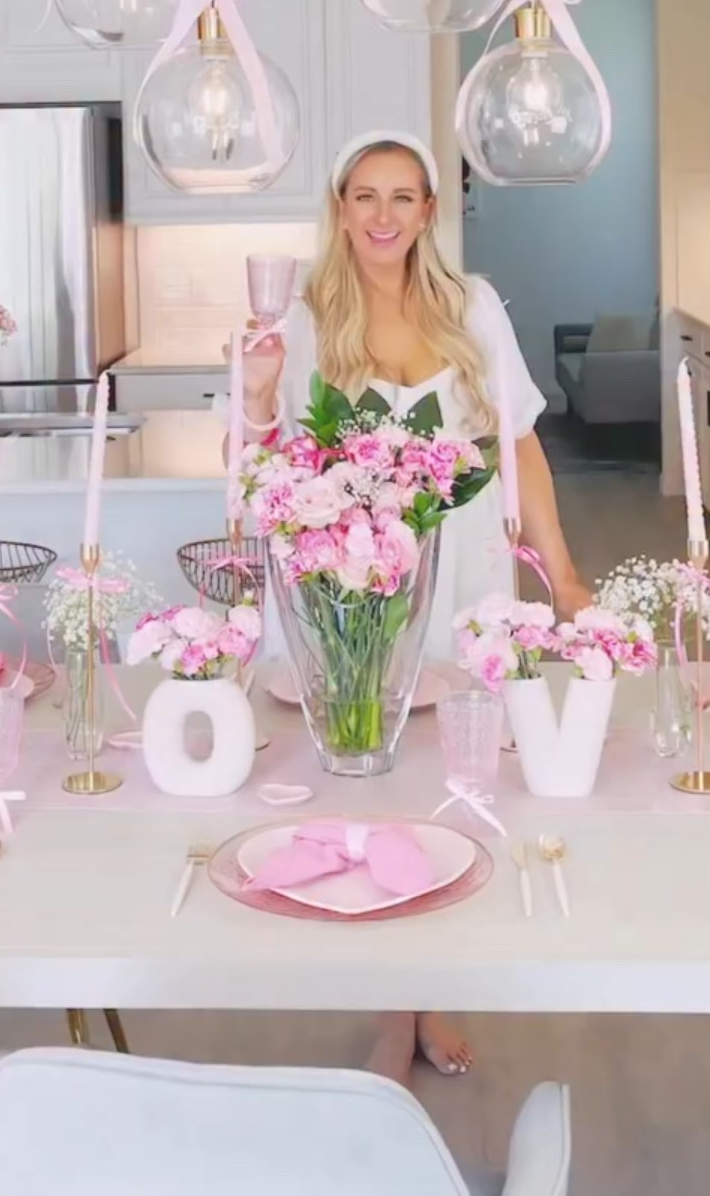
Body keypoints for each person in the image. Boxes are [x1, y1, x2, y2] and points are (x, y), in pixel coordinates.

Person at [239, 130, 591, 1085]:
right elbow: (261, 462)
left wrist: (563, 577)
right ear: (340, 206)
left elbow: (518, 443)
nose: (384, 216)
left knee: (457, 782)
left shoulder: (471, 306)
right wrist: (262, 394)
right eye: (365, 196)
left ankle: (430, 993)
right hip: (353, 578)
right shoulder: (305, 314)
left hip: (465, 565)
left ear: (430, 211)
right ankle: (388, 1007)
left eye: (404, 197)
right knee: (367, 786)